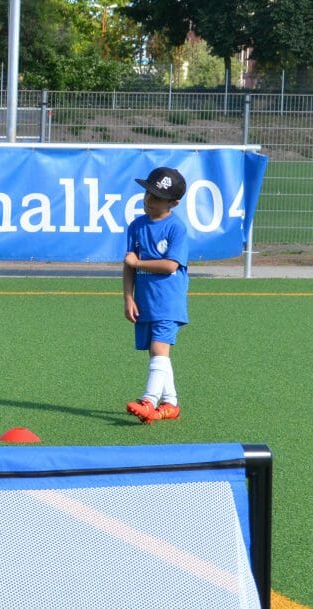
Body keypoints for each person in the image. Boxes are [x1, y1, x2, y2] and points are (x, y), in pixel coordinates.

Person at [123, 166, 190, 424]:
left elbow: (171, 265)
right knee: (157, 354)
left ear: (173, 203)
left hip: (169, 301)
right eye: (147, 194)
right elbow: (128, 263)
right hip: (146, 301)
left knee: (159, 348)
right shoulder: (136, 226)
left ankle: (148, 400)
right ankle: (170, 403)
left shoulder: (176, 228)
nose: (149, 201)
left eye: (156, 198)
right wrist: (128, 297)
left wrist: (138, 264)